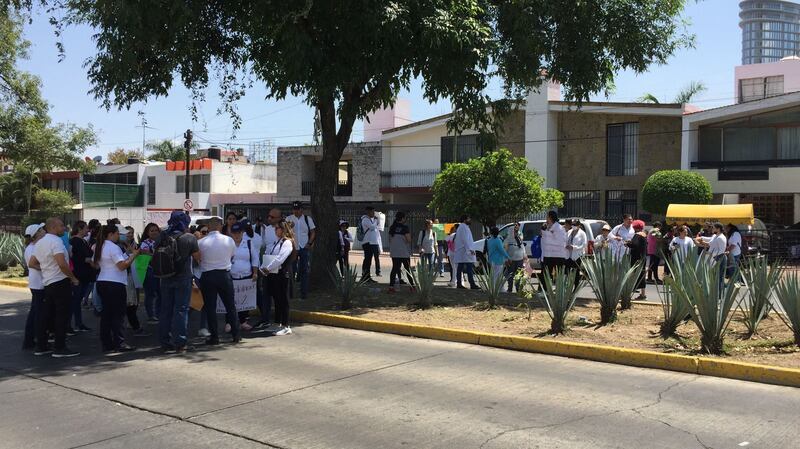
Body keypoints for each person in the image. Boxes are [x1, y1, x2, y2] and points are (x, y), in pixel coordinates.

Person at [29, 218, 81, 358]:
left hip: (48, 282)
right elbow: (62, 264)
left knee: (47, 315)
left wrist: (46, 269)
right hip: (60, 282)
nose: (64, 228)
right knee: (62, 316)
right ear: (53, 227)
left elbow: (32, 263)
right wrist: (73, 278)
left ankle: (41, 346)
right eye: (61, 225)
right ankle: (60, 347)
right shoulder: (56, 242)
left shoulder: (40, 243)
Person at [158, 211, 200, 353]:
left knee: (166, 310)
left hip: (165, 276)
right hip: (183, 277)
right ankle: (180, 343)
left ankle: (165, 342)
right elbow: (198, 258)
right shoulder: (189, 238)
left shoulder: (162, 235)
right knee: (181, 310)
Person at [95, 224, 139, 353]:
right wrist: (133, 256)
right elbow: (122, 266)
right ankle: (119, 342)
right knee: (118, 315)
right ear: (111, 234)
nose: (120, 236)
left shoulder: (100, 245)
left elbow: (96, 263)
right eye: (118, 234)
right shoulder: (113, 247)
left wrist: (127, 254)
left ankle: (107, 343)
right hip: (114, 283)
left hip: (103, 281)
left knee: (107, 314)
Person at [198, 216, 239, 345]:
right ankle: (236, 335)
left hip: (208, 275)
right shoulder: (229, 240)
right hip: (224, 275)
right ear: (220, 226)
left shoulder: (201, 242)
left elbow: (199, 258)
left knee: (210, 307)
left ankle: (214, 337)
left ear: (209, 227)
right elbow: (232, 255)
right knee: (230, 306)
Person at [262, 220, 296, 336]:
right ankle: (277, 323)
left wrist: (268, 268)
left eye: (277, 228)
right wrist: (265, 267)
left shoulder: (287, 243)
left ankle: (286, 325)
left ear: (283, 229)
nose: (275, 230)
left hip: (283, 274)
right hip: (275, 274)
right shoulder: (278, 242)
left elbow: (280, 259)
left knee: (284, 299)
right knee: (277, 299)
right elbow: (271, 256)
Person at [254, 208, 281, 330]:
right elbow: (263, 245)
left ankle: (279, 319)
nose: (269, 218)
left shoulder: (283, 229)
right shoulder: (267, 230)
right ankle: (265, 318)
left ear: (279, 218)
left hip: (280, 264)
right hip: (267, 264)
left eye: (272, 217)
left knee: (278, 293)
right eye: (268, 216)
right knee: (266, 293)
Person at [230, 221, 259, 332]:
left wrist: (255, 272)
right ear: (231, 233)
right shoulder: (229, 244)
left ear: (242, 232)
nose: (237, 235)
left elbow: (255, 258)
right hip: (232, 276)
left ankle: (243, 321)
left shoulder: (248, 243)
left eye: (239, 232)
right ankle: (230, 322)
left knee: (244, 300)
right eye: (234, 233)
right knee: (231, 300)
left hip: (246, 276)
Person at [22, 223, 46, 351]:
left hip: (37, 283)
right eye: (41, 230)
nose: (44, 231)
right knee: (38, 314)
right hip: (38, 284)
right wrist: (47, 269)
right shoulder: (33, 248)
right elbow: (33, 264)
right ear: (36, 234)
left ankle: (30, 340)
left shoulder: (33, 246)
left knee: (35, 312)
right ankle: (35, 340)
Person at [120, 226, 147, 337]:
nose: (130, 235)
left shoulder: (135, 244)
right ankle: (134, 326)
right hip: (126, 276)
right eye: (128, 233)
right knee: (130, 303)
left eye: (132, 233)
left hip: (135, 275)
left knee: (134, 302)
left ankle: (132, 324)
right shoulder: (120, 246)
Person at [286, 201, 316, 299]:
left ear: (301, 209)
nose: (296, 211)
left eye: (298, 209)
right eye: (294, 209)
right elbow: (285, 233)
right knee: (291, 270)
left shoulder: (307, 219)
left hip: (304, 247)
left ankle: (304, 293)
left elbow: (313, 232)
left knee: (304, 271)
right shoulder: (289, 219)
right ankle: (291, 293)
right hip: (293, 248)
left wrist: (310, 243)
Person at [68, 220, 93, 332]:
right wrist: (87, 260)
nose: (88, 230)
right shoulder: (75, 241)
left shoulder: (82, 241)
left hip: (85, 274)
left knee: (78, 300)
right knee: (75, 300)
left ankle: (79, 323)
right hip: (78, 274)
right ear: (80, 229)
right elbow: (75, 257)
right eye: (86, 228)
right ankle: (69, 325)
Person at [139, 222, 162, 323]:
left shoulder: (162, 241)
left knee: (160, 294)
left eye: (156, 230)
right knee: (150, 294)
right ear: (147, 232)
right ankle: (151, 315)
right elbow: (147, 256)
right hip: (149, 271)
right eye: (151, 231)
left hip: (161, 271)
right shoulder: (145, 243)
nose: (154, 232)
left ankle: (158, 313)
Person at [388, 212, 414, 292]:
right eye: (404, 218)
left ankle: (391, 287)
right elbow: (409, 240)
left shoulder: (392, 227)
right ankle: (412, 286)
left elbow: (390, 240)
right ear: (402, 218)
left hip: (394, 252)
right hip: (404, 252)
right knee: (407, 270)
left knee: (394, 269)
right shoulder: (405, 228)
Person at [454, 216, 479, 289]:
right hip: (465, 251)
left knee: (461, 267)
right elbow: (465, 240)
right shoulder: (463, 227)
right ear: (465, 220)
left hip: (463, 250)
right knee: (469, 267)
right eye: (468, 219)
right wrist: (470, 249)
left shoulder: (463, 227)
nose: (470, 220)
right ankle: (472, 284)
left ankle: (459, 283)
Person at [540, 211, 567, 280]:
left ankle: (560, 290)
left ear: (550, 217)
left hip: (558, 256)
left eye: (547, 217)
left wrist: (548, 236)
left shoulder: (559, 228)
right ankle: (546, 290)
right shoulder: (547, 227)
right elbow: (544, 240)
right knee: (546, 275)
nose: (546, 218)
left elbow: (560, 242)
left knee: (559, 276)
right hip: (548, 255)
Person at [626, 220, 648, 300]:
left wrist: (627, 244)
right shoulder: (644, 235)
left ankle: (628, 293)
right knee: (642, 275)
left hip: (636, 258)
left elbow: (634, 245)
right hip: (643, 257)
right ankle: (643, 294)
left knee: (632, 275)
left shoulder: (637, 235)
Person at [360, 206, 381, 282]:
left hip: (372, 243)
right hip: (367, 242)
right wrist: (375, 220)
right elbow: (372, 227)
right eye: (372, 212)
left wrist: (376, 220)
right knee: (367, 260)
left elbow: (376, 227)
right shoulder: (365, 219)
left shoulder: (371, 220)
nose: (373, 214)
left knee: (369, 260)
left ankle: (367, 277)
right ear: (368, 212)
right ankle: (365, 276)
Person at [504, 222, 527, 292]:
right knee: (510, 274)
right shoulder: (507, 240)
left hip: (519, 259)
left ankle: (518, 288)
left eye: (516, 230)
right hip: (511, 260)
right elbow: (505, 250)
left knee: (518, 275)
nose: (515, 232)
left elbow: (522, 247)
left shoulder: (519, 238)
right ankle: (510, 288)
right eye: (514, 230)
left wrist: (524, 256)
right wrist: (506, 259)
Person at [565, 219, 587, 288]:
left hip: (577, 255)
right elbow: (565, 240)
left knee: (576, 272)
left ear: (579, 225)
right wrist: (567, 246)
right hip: (569, 255)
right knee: (567, 271)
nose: (573, 226)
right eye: (572, 225)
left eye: (575, 225)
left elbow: (584, 244)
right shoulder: (569, 231)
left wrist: (574, 247)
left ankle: (576, 286)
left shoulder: (582, 233)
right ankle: (568, 286)